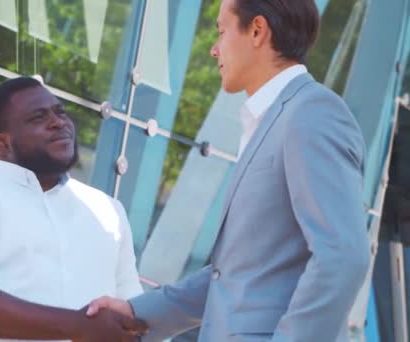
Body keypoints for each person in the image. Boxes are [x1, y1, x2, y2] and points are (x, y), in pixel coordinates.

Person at [87, 0, 371, 341]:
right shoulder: (271, 121)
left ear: (257, 31)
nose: (213, 49)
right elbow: (232, 276)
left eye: (222, 32)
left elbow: (343, 255)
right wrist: (137, 312)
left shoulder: (312, 113)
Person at [0, 77, 146, 342]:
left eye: (60, 112)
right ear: (1, 142)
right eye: (38, 118)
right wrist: (75, 326)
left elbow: (135, 309)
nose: (59, 122)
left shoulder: (109, 210)